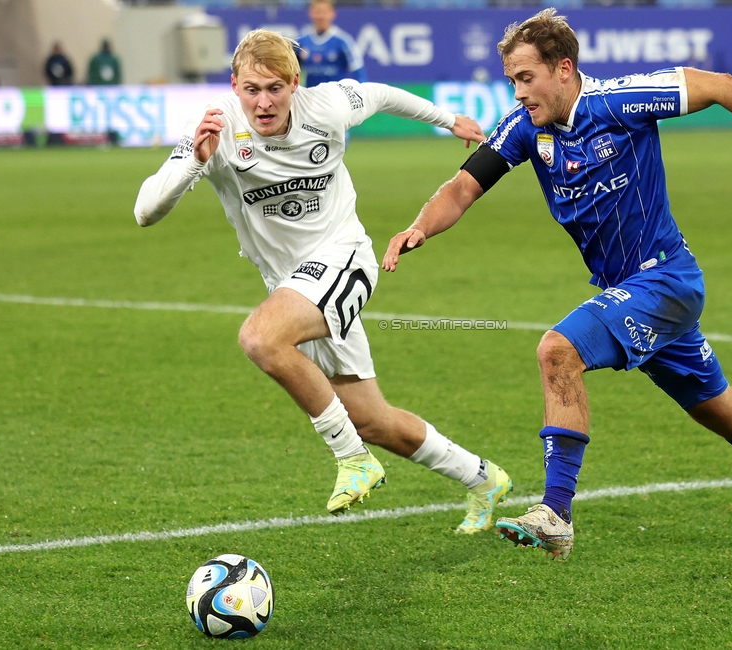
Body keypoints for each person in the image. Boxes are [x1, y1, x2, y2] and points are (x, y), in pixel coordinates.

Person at [383, 9, 732, 560]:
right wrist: (421, 225)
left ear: (564, 69)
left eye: (525, 78)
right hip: (636, 291)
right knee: (717, 407)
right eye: (511, 80)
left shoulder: (619, 100)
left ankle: (555, 512)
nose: (516, 93)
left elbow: (722, 86)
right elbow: (462, 187)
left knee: (558, 350)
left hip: (664, 277)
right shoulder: (524, 129)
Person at [134, 29, 512, 534]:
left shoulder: (327, 106)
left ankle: (352, 460)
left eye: (274, 88)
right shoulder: (217, 128)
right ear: (234, 84)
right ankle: (483, 478)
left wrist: (449, 120)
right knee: (372, 419)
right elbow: (144, 212)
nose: (263, 103)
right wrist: (197, 163)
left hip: (345, 258)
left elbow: (379, 94)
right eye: (251, 89)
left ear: (295, 84)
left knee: (260, 338)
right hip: (292, 285)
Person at [296, 0, 365, 88]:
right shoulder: (302, 40)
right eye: (317, 12)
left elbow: (358, 71)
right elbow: (290, 71)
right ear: (310, 13)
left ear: (333, 14)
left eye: (324, 12)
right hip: (311, 97)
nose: (321, 16)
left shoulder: (343, 40)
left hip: (336, 98)